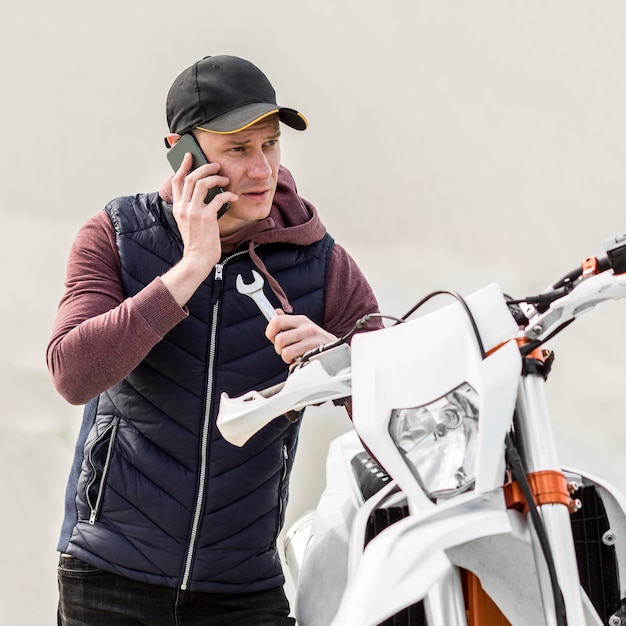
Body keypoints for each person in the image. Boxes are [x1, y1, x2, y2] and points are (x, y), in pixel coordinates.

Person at [47, 54, 381, 625]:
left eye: (270, 145)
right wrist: (190, 266)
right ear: (183, 152)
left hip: (243, 589)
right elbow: (72, 373)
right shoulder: (117, 237)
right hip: (109, 578)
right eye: (238, 149)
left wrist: (339, 359)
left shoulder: (320, 263)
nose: (262, 170)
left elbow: (406, 403)